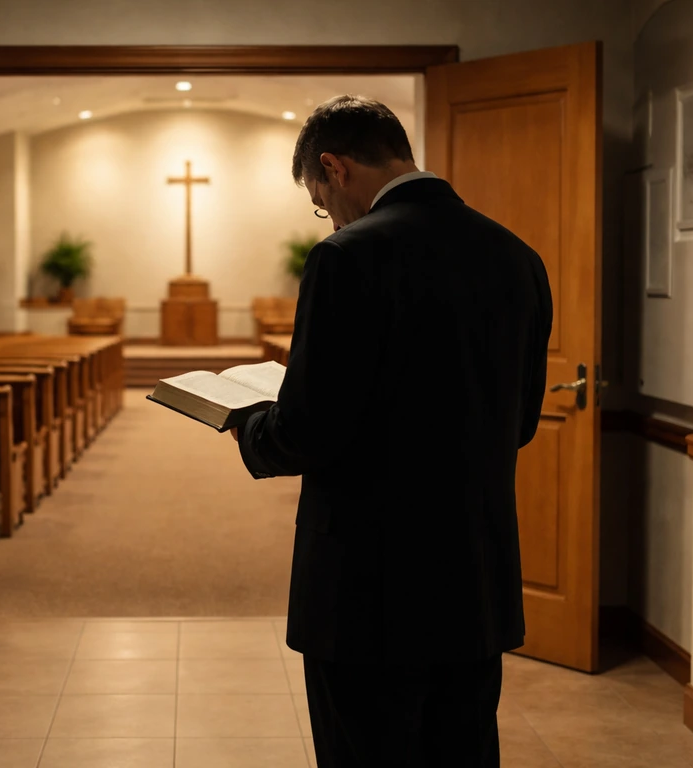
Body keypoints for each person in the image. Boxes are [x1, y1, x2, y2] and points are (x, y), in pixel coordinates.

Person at [230, 96, 553, 767]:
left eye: (319, 200)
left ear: (333, 167)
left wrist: (250, 426)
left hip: (367, 588)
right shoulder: (515, 256)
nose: (327, 214)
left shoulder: (348, 257)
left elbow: (311, 429)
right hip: (474, 578)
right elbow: (520, 421)